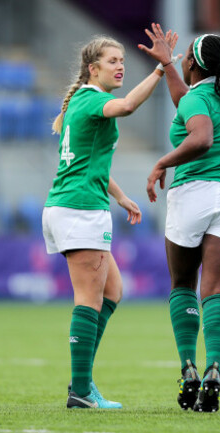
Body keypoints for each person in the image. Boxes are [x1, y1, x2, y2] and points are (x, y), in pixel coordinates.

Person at [43, 30, 179, 409]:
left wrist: (120, 196)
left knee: (111, 292)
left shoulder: (82, 101)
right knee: (88, 297)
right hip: (79, 208)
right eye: (112, 61)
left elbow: (89, 163)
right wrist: (161, 69)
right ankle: (81, 390)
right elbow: (127, 107)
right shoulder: (91, 100)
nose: (120, 67)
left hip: (74, 204)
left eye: (122, 61)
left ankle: (81, 382)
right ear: (93, 68)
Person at [142, 25, 220, 413]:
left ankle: (188, 366)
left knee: (184, 283)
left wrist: (161, 162)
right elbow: (185, 102)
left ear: (194, 62)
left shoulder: (197, 101)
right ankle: (214, 368)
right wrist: (168, 65)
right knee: (217, 289)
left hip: (194, 194)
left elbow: (200, 136)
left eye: (185, 54)